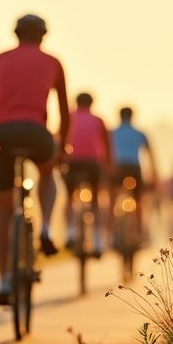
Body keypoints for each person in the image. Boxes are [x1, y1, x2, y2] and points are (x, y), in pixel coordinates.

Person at [0, 14, 70, 305]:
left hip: (2, 134)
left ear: (16, 34)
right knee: (48, 172)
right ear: (43, 36)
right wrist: (64, 146)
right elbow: (64, 109)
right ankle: (46, 226)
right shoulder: (53, 62)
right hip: (37, 133)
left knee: (3, 210)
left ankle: (4, 281)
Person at [63, 93, 113, 257]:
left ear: (76, 103)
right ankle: (98, 240)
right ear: (92, 104)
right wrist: (108, 166)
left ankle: (70, 231)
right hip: (92, 163)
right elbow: (107, 146)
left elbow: (60, 137)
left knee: (69, 196)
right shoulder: (98, 120)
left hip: (73, 161)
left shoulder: (69, 116)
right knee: (96, 199)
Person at [110, 107, 160, 245]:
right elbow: (150, 154)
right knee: (138, 199)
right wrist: (154, 173)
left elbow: (105, 151)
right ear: (132, 117)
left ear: (119, 117)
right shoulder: (140, 133)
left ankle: (111, 228)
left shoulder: (112, 133)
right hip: (134, 168)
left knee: (113, 197)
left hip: (118, 168)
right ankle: (139, 229)